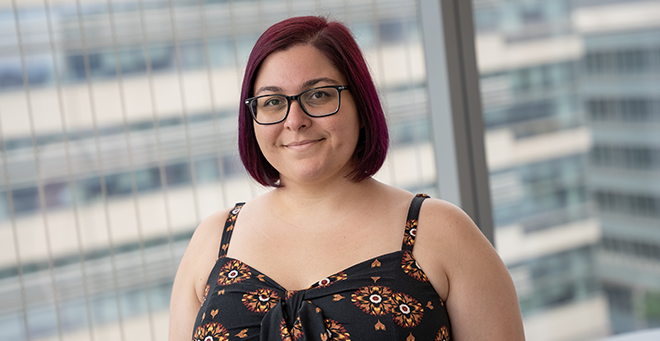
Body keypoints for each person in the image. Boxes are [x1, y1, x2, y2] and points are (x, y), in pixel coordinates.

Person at [169, 16, 525, 341]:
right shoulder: (214, 240)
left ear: (361, 104)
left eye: (319, 95)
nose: (295, 120)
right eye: (273, 102)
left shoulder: (442, 232)